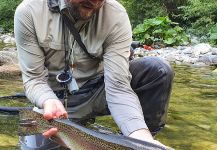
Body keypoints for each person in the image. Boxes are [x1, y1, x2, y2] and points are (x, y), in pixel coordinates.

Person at [14, 0, 174, 149]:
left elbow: (118, 89)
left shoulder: (116, 15)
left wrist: (140, 140)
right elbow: (34, 79)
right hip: (55, 104)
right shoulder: (29, 12)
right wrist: (47, 100)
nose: (95, 2)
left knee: (157, 70)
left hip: (98, 92)